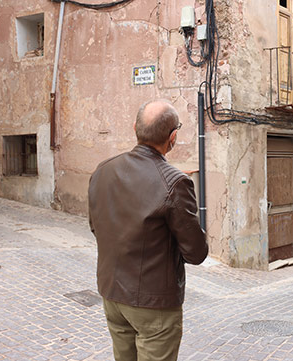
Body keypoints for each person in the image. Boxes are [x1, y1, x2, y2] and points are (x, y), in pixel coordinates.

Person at [88, 99, 208, 361]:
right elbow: (196, 253)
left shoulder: (102, 170)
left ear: (135, 128)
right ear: (173, 137)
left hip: (112, 293)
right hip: (154, 305)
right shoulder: (176, 182)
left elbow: (96, 227)